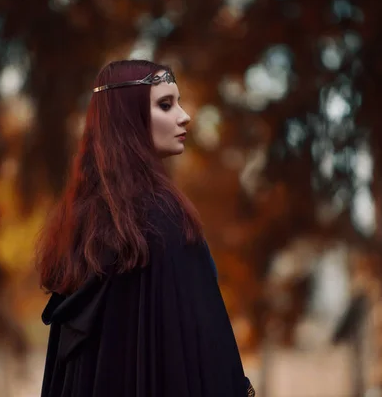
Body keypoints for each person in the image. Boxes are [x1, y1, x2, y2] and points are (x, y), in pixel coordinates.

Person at [35, 60, 255, 397]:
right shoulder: (165, 220)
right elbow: (207, 349)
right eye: (165, 105)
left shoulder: (80, 224)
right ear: (128, 120)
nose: (184, 116)